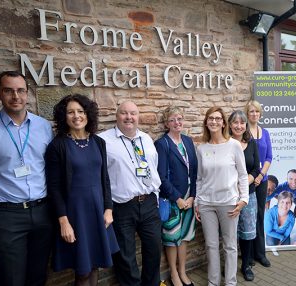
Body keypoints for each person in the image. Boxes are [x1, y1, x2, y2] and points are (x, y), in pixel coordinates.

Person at [0, 71, 54, 286]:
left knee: (38, 276)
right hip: (6, 216)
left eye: (20, 90)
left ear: (27, 94)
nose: (15, 96)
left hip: (42, 212)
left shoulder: (43, 127)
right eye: (8, 90)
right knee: (11, 279)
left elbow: (49, 167)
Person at [45, 94, 119, 285]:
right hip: (74, 215)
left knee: (95, 265)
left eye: (81, 111)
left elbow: (105, 179)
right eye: (70, 112)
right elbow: (54, 188)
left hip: (97, 211)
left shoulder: (98, 142)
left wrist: (109, 209)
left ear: (88, 115)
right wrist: (63, 222)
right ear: (64, 116)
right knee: (82, 271)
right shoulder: (58, 146)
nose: (76, 116)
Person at [98, 101, 162, 286]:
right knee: (125, 256)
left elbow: (153, 167)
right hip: (122, 206)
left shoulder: (146, 139)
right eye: (124, 113)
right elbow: (100, 176)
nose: (129, 117)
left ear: (138, 116)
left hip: (149, 203)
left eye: (133, 113)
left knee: (154, 250)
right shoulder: (103, 140)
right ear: (116, 116)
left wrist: (155, 197)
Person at [195, 106, 248, 286]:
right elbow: (200, 179)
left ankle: (231, 283)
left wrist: (244, 200)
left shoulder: (233, 145)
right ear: (206, 122)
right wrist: (197, 202)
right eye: (211, 118)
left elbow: (242, 174)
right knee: (211, 246)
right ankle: (213, 282)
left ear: (223, 123)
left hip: (229, 203)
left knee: (230, 246)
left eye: (218, 118)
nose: (214, 121)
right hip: (207, 204)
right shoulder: (202, 148)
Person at [154, 106, 197, 286]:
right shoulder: (162, 144)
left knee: (185, 236)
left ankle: (182, 271)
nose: (177, 122)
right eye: (172, 120)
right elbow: (161, 177)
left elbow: (195, 172)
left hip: (188, 197)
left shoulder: (188, 141)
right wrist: (178, 199)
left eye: (179, 118)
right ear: (166, 123)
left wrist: (192, 196)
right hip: (173, 199)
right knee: (172, 238)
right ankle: (173, 274)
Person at [228, 110, 260, 281]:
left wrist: (246, 181)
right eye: (235, 122)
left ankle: (246, 264)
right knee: (231, 233)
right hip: (229, 196)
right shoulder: (225, 143)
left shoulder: (251, 143)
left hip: (249, 194)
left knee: (247, 232)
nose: (239, 126)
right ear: (230, 125)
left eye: (242, 123)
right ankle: (230, 264)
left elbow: (256, 168)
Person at [245, 100, 272, 267]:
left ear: (260, 114)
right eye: (251, 111)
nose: (254, 114)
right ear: (247, 114)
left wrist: (261, 175)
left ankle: (260, 254)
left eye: (257, 111)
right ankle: (247, 255)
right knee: (248, 218)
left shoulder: (265, 133)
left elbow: (269, 157)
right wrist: (252, 176)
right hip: (247, 181)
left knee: (260, 215)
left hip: (261, 180)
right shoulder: (243, 132)